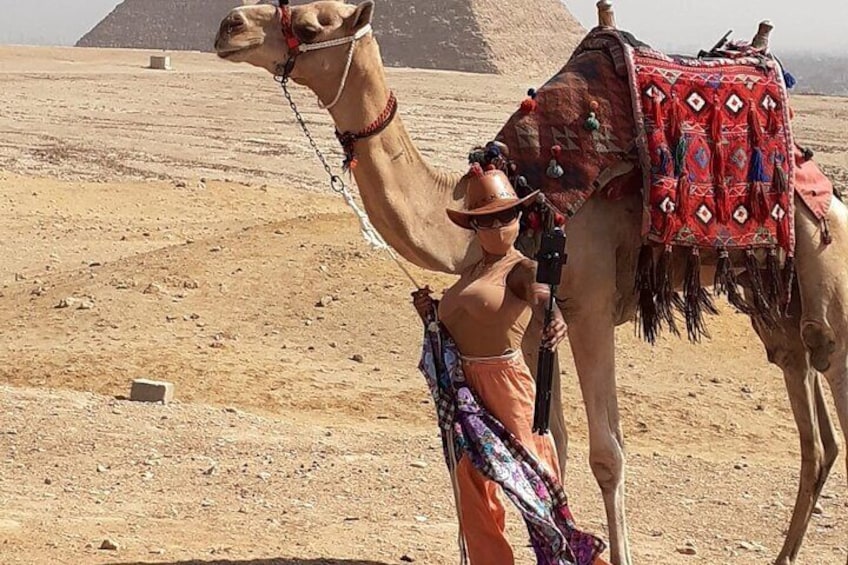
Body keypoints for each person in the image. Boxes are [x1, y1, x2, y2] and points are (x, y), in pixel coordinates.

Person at [413, 162, 607, 565]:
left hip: (507, 388)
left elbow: (539, 294)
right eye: (487, 218)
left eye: (506, 214)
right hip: (463, 388)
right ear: (474, 226)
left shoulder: (519, 268)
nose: (498, 224)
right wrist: (430, 313)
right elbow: (457, 323)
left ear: (518, 217)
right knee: (471, 485)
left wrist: (552, 317)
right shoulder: (472, 272)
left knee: (535, 487)